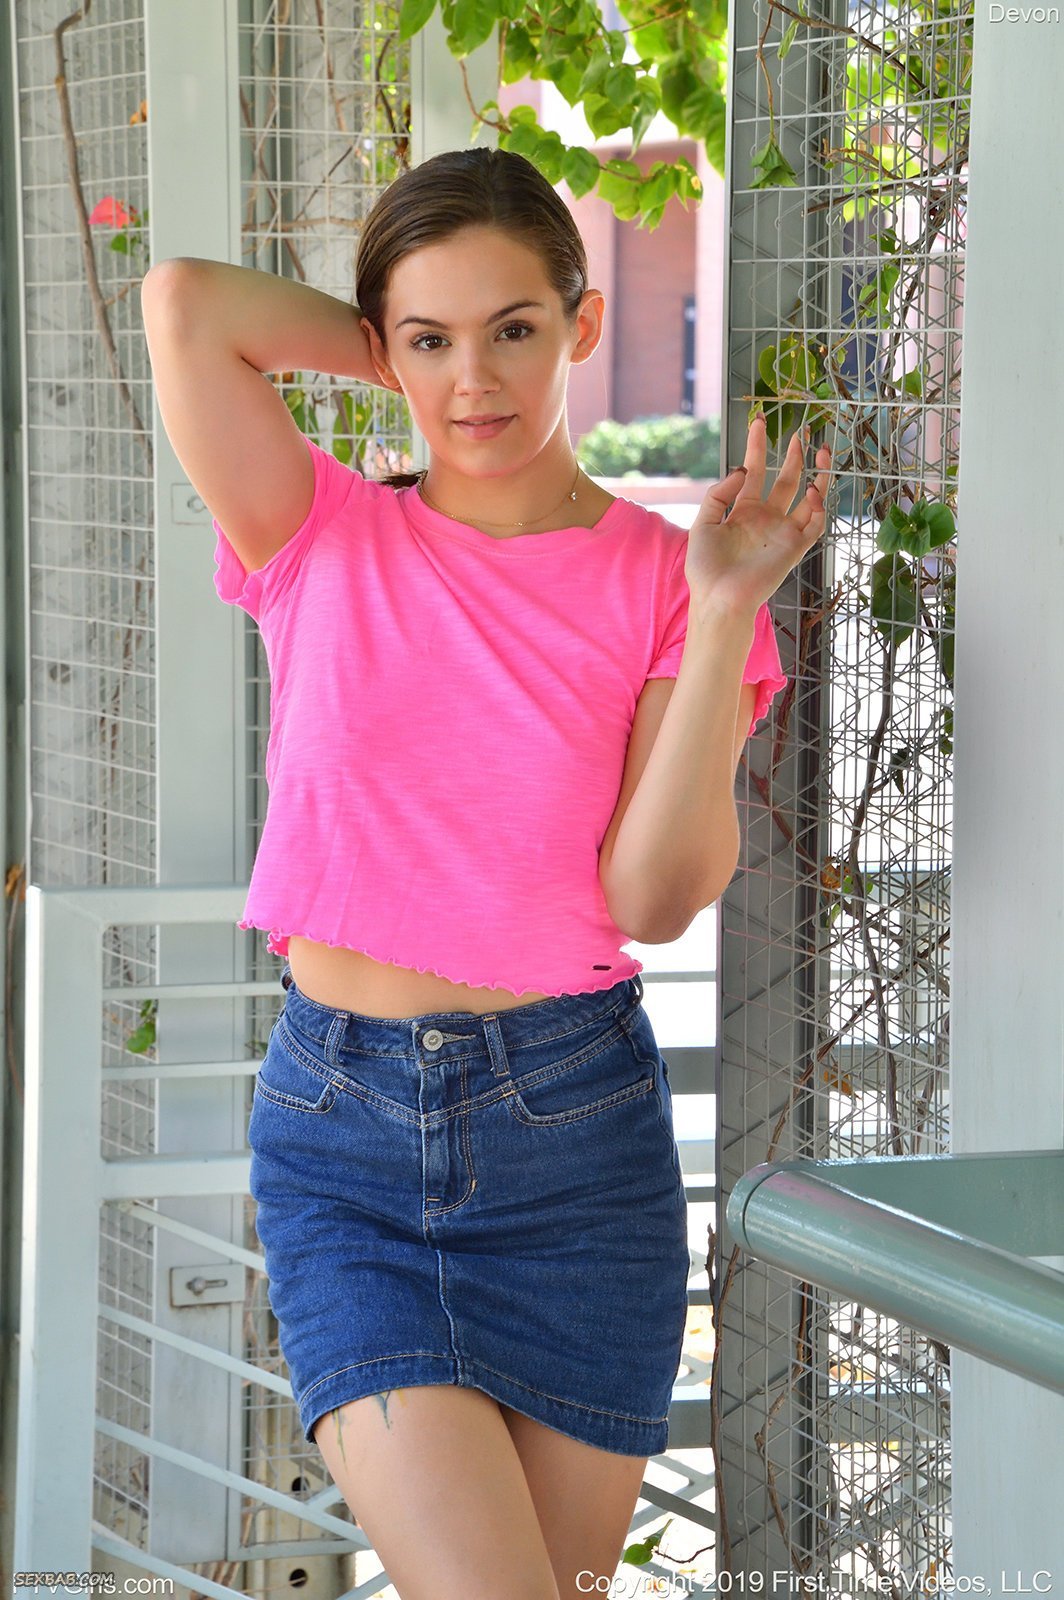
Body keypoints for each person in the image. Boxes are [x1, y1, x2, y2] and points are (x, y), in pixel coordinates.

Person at [142, 146, 831, 1600]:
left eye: (515, 329)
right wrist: (403, 347)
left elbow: (651, 900)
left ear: (584, 325)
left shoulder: (669, 580)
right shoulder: (318, 531)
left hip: (573, 1150)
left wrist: (722, 616)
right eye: (430, 341)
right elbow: (187, 305)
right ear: (384, 348)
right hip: (343, 1146)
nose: (475, 381)